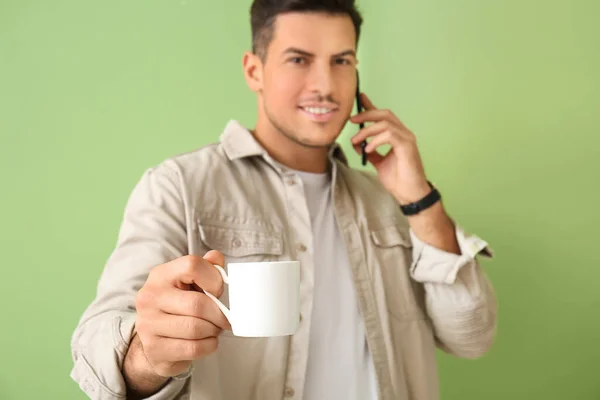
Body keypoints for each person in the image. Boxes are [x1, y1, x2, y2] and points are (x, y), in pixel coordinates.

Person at [70, 0, 497, 399]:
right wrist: (150, 356)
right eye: (299, 59)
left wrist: (420, 199)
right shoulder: (179, 186)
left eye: (342, 61)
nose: (326, 86)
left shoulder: (391, 201)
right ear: (254, 71)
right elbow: (97, 352)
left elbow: (473, 336)